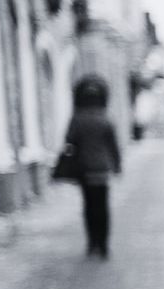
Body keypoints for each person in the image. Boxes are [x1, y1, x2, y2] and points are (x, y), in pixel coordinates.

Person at [64, 75, 122, 259]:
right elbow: (113, 145)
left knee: (89, 205)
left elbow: (69, 140)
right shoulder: (105, 118)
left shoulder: (77, 118)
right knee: (103, 206)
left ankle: (92, 243)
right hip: (102, 169)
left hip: (84, 168)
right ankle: (104, 245)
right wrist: (117, 165)